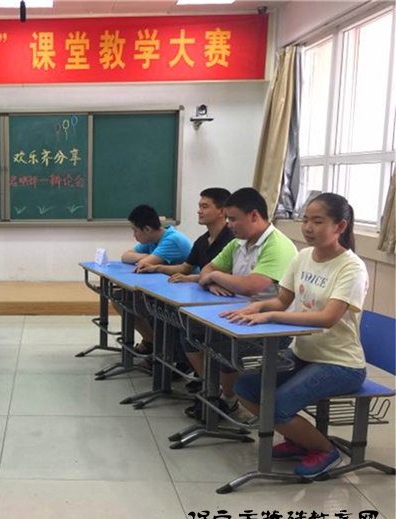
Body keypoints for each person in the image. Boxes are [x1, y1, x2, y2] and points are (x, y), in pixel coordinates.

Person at [223, 193, 367, 477]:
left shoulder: (352, 267)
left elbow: (327, 318)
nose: (308, 228)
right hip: (304, 354)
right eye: (305, 220)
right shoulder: (302, 257)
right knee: (245, 389)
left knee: (276, 406)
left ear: (339, 226)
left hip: (340, 363)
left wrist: (271, 316)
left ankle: (326, 450)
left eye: (318, 221)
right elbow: (281, 300)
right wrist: (256, 307)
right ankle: (299, 439)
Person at [185, 187, 299, 419]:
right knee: (189, 330)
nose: (229, 224)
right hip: (238, 315)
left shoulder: (277, 245)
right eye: (228, 218)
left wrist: (216, 276)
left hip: (271, 326)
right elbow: (207, 268)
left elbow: (253, 286)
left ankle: (228, 400)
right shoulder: (238, 243)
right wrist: (211, 281)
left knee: (223, 345)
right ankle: (214, 390)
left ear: (254, 215)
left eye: (233, 219)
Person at [136, 188, 234, 387]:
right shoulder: (203, 240)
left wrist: (195, 278)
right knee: (160, 311)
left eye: (204, 206)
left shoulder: (231, 240)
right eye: (199, 206)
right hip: (200, 297)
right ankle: (182, 364)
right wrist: (158, 268)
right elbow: (185, 268)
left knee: (185, 329)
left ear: (222, 211)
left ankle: (210, 383)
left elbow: (229, 276)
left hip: (222, 304)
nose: (199, 211)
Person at [120, 204, 192, 356]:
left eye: (135, 230)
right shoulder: (152, 239)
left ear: (147, 229)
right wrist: (145, 257)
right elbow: (125, 256)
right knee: (121, 298)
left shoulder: (172, 239)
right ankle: (152, 342)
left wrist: (145, 260)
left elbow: (144, 264)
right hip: (167, 289)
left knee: (134, 302)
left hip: (186, 292)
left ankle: (162, 351)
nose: (134, 235)